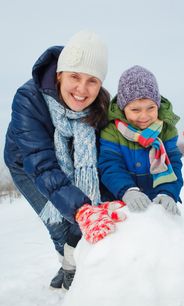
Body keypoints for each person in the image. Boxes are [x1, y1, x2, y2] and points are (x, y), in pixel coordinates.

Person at [4, 30, 113, 291]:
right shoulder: (28, 99)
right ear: (59, 74)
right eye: (75, 77)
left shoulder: (100, 108)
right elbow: (41, 164)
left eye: (92, 81)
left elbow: (105, 159)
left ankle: (71, 262)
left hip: (73, 161)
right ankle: (70, 267)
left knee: (81, 218)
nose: (82, 89)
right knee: (60, 224)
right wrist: (81, 210)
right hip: (29, 165)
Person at [98, 65, 183, 214]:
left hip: (158, 202)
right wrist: (127, 190)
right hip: (122, 202)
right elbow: (110, 165)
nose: (144, 116)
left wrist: (167, 192)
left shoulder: (167, 130)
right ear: (123, 109)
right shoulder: (111, 131)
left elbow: (174, 163)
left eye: (150, 108)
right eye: (135, 110)